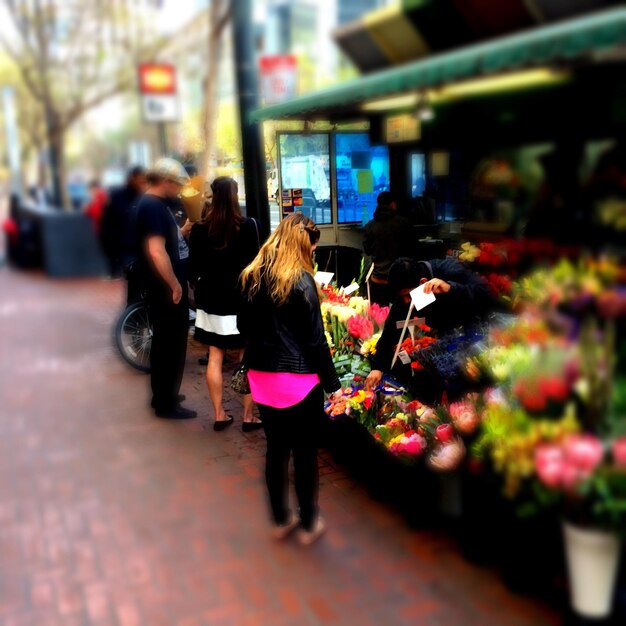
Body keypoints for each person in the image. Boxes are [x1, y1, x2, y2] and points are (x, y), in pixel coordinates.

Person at [239, 212, 342, 545]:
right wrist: (334, 386)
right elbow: (315, 341)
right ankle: (309, 523)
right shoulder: (301, 280)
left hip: (262, 378)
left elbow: (244, 326)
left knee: (276, 450)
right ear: (304, 244)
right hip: (299, 381)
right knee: (305, 454)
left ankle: (282, 520)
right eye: (313, 248)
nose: (313, 254)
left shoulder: (253, 275)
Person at [188, 177, 262, 432]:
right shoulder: (250, 226)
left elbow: (193, 267)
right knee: (246, 357)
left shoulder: (199, 229)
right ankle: (248, 416)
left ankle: (219, 414)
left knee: (215, 356)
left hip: (211, 301)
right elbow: (257, 266)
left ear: (213, 195)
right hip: (242, 300)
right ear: (235, 195)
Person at [365, 256, 496, 397]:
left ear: (423, 282)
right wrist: (378, 367)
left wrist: (451, 289)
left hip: (478, 338)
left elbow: (486, 296)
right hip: (446, 345)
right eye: (402, 297)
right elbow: (392, 327)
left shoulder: (451, 269)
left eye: (408, 296)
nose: (406, 301)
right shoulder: (409, 295)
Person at [134, 158, 196, 420]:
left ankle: (164, 394)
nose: (178, 190)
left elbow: (165, 243)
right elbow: (156, 251)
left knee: (166, 342)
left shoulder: (153, 205)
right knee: (170, 344)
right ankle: (166, 401)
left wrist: (181, 231)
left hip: (165, 286)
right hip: (165, 288)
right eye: (176, 184)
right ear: (166, 181)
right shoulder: (152, 206)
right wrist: (174, 284)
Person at [363, 192, 414, 305]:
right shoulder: (404, 223)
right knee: (399, 320)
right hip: (400, 283)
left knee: (378, 320)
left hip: (377, 281)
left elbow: (367, 250)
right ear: (392, 204)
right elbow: (412, 250)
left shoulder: (370, 226)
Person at [100, 166, 147, 278]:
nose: (143, 184)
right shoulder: (117, 197)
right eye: (141, 181)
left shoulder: (145, 196)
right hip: (122, 248)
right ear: (133, 178)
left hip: (137, 248)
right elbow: (108, 223)